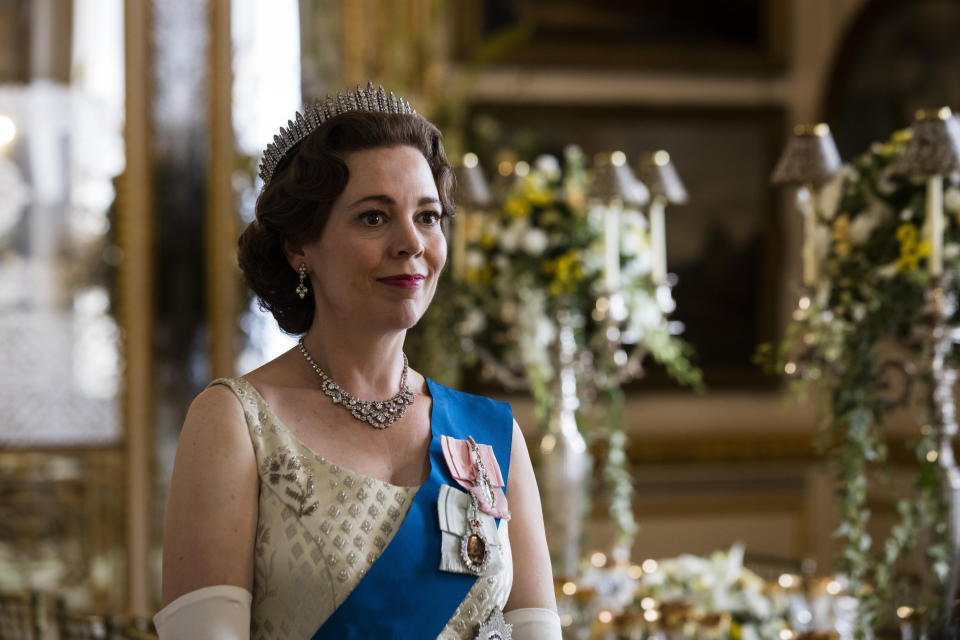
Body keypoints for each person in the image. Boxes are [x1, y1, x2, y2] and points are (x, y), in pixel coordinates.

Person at [154, 83, 561, 640]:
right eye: (374, 218)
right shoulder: (235, 423)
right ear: (300, 246)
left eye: (428, 216)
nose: (411, 243)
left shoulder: (492, 435)